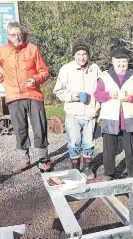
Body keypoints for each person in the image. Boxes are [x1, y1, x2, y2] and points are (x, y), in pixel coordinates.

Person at [0, 22, 51, 173]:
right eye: (13, 35)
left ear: (23, 34)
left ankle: (43, 159)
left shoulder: (32, 49)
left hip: (33, 94)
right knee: (20, 129)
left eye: (19, 34)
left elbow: (44, 72)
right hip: (14, 96)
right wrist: (0, 77)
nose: (17, 37)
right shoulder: (2, 51)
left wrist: (35, 79)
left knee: (40, 127)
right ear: (8, 36)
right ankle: (24, 160)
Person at [94, 47, 133, 181]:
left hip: (129, 118)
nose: (121, 64)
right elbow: (97, 94)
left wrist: (131, 98)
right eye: (118, 61)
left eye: (124, 61)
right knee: (109, 150)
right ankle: (109, 173)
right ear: (112, 61)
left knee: (131, 149)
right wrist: (108, 94)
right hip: (110, 117)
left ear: (128, 61)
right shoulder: (104, 76)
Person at [53, 39, 101, 180]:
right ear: (74, 55)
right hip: (73, 113)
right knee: (74, 142)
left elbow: (102, 89)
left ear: (88, 55)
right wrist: (71, 96)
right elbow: (58, 90)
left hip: (90, 113)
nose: (81, 57)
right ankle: (75, 169)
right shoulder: (66, 69)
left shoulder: (95, 68)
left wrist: (99, 107)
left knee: (89, 142)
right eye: (78, 54)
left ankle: (87, 168)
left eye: (84, 54)